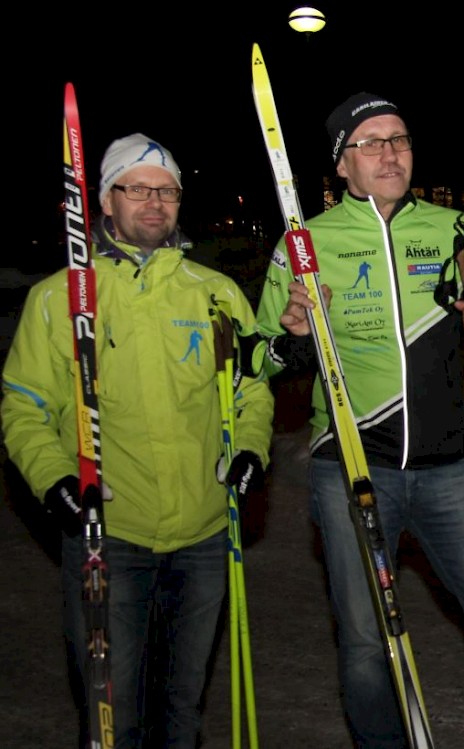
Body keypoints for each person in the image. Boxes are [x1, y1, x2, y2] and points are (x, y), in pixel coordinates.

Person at [254, 92, 464, 749]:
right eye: (370, 142)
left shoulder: (456, 230)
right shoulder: (306, 245)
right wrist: (294, 334)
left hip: (450, 469)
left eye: (399, 139)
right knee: (365, 644)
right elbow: (257, 355)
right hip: (353, 469)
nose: (389, 152)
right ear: (341, 167)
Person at [1, 133, 274, 748]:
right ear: (105, 200)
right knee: (113, 710)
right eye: (137, 188)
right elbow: (25, 404)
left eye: (167, 190)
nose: (154, 202)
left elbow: (252, 388)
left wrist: (252, 448)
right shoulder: (60, 299)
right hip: (111, 535)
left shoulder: (216, 293)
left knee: (182, 707)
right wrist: (54, 481)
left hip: (203, 536)